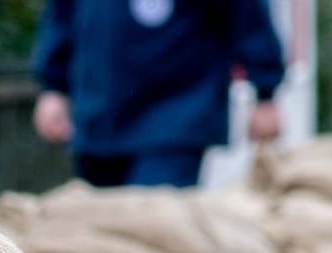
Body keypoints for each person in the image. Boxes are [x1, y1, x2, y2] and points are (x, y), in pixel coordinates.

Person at [32, 0, 286, 188]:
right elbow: (60, 16)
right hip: (99, 117)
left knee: (152, 231)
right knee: (100, 233)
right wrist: (53, 88)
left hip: (175, 117)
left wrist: (266, 93)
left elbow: (248, 16)